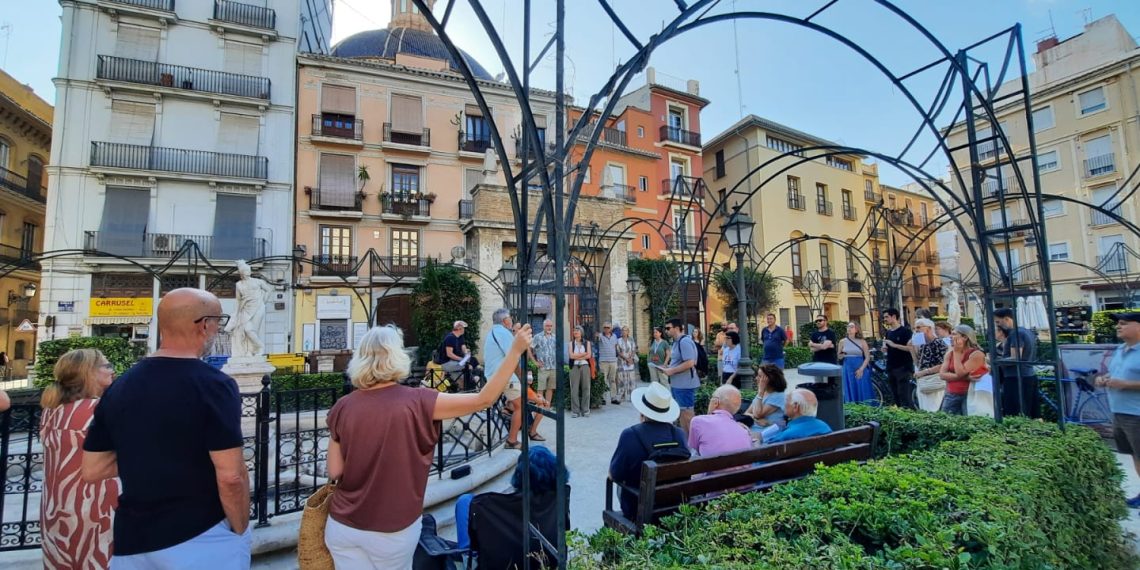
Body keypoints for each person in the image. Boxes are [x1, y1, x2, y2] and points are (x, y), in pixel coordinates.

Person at [324, 322, 532, 567]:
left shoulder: (343, 406)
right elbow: (484, 399)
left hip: (342, 526)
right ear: (397, 356)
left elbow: (334, 471)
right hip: (392, 529)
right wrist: (515, 351)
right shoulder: (419, 401)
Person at [82, 288, 250, 568]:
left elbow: (93, 469)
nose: (218, 328)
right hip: (199, 534)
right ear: (204, 325)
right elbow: (232, 476)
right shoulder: (214, 385)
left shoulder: (121, 385)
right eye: (218, 321)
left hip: (132, 540)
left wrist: (156, 456)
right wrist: (241, 529)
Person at [41, 349, 119, 569]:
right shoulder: (97, 411)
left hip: (58, 506)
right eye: (106, 365)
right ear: (89, 373)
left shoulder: (52, 410)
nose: (112, 370)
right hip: (96, 507)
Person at [454, 445, 569, 553]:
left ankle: (466, 555)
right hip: (547, 556)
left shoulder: (494, 505)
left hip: (505, 558)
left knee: (464, 501)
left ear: (519, 474)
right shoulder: (559, 498)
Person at [608, 382, 688, 519]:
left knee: (620, 483)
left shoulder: (630, 434)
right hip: (675, 506)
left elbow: (614, 475)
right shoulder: (679, 434)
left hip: (639, 509)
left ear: (642, 411)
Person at [1096, 312, 1140, 507]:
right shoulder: (1121, 349)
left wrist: (1126, 384)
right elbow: (1114, 372)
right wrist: (1104, 378)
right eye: (1118, 323)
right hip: (1119, 412)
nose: (1118, 327)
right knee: (1134, 454)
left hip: (1137, 414)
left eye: (1123, 323)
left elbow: (1125, 380)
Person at [484, 308, 542, 449]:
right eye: (510, 318)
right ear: (505, 321)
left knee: (512, 403)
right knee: (520, 406)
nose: (511, 320)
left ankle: (509, 416)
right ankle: (512, 440)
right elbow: (513, 357)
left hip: (494, 375)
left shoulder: (492, 332)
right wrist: (521, 376)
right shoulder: (504, 333)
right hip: (504, 376)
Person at [994, 307, 1039, 418]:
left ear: (1007, 319)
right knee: (1032, 412)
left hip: (1016, 378)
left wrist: (996, 361)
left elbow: (1016, 358)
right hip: (1028, 375)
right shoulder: (1026, 331)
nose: (998, 325)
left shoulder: (1016, 334)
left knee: (1015, 413)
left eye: (998, 322)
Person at [224, 260, 274, 358]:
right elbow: (238, 300)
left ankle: (256, 349)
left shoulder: (258, 282)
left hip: (258, 308)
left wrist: (263, 301)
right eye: (244, 271)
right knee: (245, 330)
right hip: (246, 308)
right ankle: (251, 350)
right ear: (241, 273)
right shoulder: (239, 284)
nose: (247, 273)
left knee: (251, 330)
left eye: (248, 270)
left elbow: (269, 289)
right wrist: (236, 313)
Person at [660, 317, 701, 434]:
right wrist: (669, 368)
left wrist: (672, 371)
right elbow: (679, 362)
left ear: (677, 328)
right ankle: (687, 441)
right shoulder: (677, 342)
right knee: (682, 415)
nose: (666, 331)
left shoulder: (684, 342)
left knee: (687, 416)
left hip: (685, 385)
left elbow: (690, 362)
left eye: (668, 328)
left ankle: (693, 443)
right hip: (678, 384)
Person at [689, 384, 752, 457]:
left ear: (716, 402)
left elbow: (695, 448)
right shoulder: (744, 431)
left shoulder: (698, 421)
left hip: (710, 464)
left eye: (711, 398)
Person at [938, 325, 988, 415]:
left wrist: (957, 352)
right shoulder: (949, 354)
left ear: (965, 337)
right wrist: (966, 377)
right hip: (951, 394)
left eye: (954, 334)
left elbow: (960, 373)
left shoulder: (976, 354)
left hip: (969, 394)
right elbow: (942, 375)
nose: (950, 337)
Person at [762, 388, 832, 444]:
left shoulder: (787, 436)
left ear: (795, 407)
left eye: (787, 400)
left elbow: (765, 454)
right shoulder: (824, 426)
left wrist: (757, 441)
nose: (784, 404)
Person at [881, 308, 916, 409]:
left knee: (904, 395)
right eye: (884, 317)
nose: (885, 319)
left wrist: (894, 345)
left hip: (903, 367)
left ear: (894, 317)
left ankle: (908, 413)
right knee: (895, 395)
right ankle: (900, 413)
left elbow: (910, 348)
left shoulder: (906, 331)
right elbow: (888, 348)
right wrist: (885, 349)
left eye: (887, 317)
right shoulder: (888, 333)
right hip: (891, 367)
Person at [913, 318, 949, 412]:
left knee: (933, 410)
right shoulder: (923, 344)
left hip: (935, 382)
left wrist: (925, 372)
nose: (916, 330)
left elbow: (944, 364)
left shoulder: (939, 343)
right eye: (915, 328)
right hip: (924, 382)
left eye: (918, 327)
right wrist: (911, 348)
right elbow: (919, 363)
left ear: (928, 328)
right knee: (924, 410)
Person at [838, 322, 873, 403]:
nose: (849, 328)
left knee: (862, 388)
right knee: (850, 387)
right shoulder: (842, 341)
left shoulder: (862, 341)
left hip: (860, 367)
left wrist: (861, 369)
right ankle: (851, 408)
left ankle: (865, 408)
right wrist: (841, 355)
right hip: (847, 368)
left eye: (851, 327)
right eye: (848, 327)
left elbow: (867, 357)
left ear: (856, 329)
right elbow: (838, 356)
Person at [746, 365, 788, 431]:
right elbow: (746, 413)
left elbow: (757, 414)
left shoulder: (778, 396)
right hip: (753, 429)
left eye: (760, 376)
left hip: (767, 432)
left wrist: (760, 392)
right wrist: (756, 419)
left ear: (769, 379)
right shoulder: (764, 393)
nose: (756, 378)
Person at [530, 319, 559, 405]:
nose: (549, 327)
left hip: (553, 367)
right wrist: (535, 362)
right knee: (540, 389)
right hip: (542, 368)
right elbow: (529, 348)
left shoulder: (555, 337)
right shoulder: (538, 337)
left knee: (550, 388)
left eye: (550, 326)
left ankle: (547, 407)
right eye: (547, 326)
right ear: (543, 326)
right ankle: (540, 407)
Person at [438, 321, 473, 389]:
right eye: (463, 328)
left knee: (462, 380)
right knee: (468, 366)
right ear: (459, 328)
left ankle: (464, 391)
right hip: (447, 363)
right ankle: (473, 386)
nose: (464, 329)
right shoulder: (450, 338)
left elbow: (463, 348)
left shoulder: (460, 337)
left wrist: (466, 352)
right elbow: (449, 354)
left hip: (455, 363)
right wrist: (462, 359)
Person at [567, 326, 592, 418]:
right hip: (574, 367)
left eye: (577, 330)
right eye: (574, 330)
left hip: (585, 366)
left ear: (581, 332)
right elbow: (571, 356)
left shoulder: (587, 343)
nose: (575, 332)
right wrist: (583, 354)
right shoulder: (571, 344)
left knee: (586, 388)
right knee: (574, 389)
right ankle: (575, 411)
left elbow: (589, 355)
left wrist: (577, 356)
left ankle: (585, 410)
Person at [597, 323, 621, 404]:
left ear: (611, 328)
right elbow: (596, 337)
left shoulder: (614, 336)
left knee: (612, 380)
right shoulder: (600, 336)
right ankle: (602, 398)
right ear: (603, 328)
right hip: (603, 361)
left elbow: (616, 347)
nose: (606, 329)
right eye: (605, 327)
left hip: (613, 361)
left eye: (608, 327)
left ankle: (613, 398)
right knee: (603, 380)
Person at [616, 326, 640, 399]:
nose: (624, 332)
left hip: (630, 362)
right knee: (622, 378)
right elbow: (618, 351)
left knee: (631, 379)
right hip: (621, 362)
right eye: (623, 330)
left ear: (628, 332)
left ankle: (632, 395)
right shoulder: (618, 340)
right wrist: (626, 359)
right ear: (621, 332)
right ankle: (622, 394)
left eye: (626, 330)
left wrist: (630, 359)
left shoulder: (631, 340)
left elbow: (634, 350)